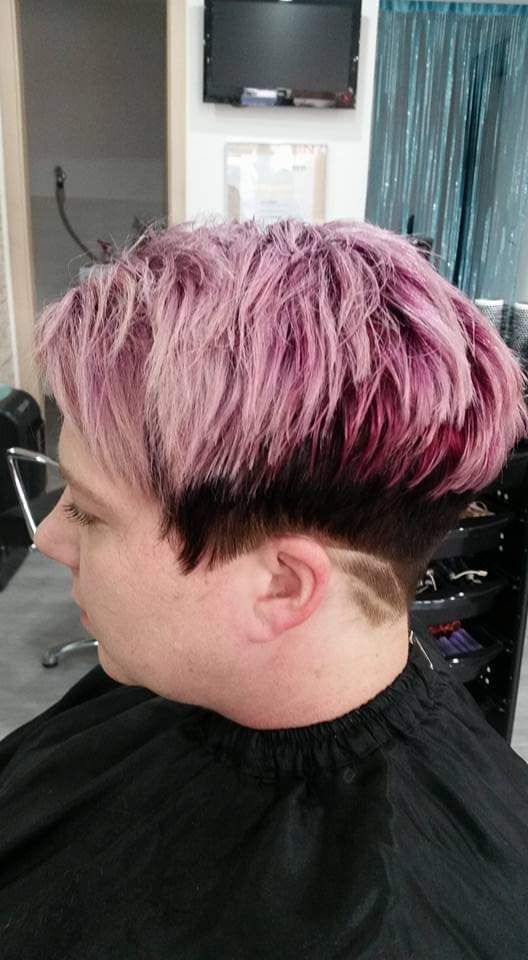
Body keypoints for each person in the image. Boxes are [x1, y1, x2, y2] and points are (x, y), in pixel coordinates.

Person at [1, 217, 528, 960]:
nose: (48, 540)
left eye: (89, 511)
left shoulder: (395, 929)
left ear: (281, 587)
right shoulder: (174, 671)